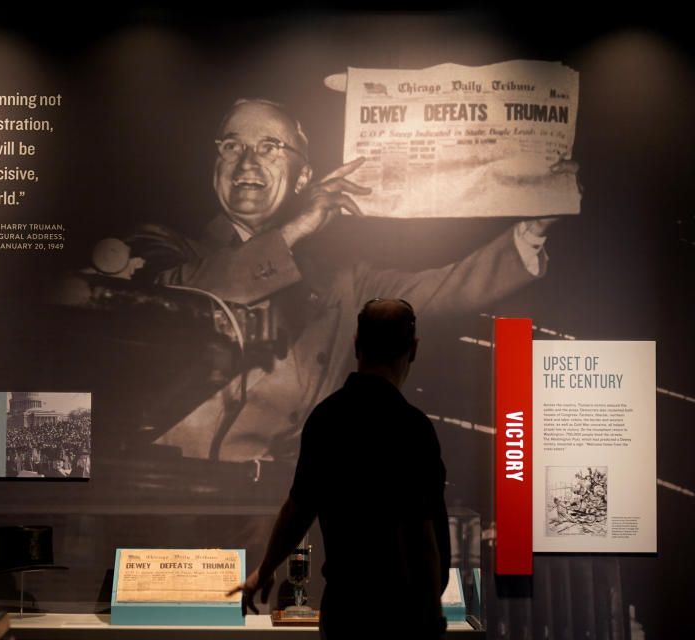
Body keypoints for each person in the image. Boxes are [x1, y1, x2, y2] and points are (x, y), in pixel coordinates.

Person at [132, 98, 558, 464]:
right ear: (216, 167)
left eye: (269, 148)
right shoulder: (163, 249)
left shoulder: (342, 280)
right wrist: (298, 227)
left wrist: (532, 229)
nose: (247, 162)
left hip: (282, 503)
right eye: (232, 146)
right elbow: (196, 299)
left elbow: (442, 289)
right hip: (177, 496)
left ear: (303, 179)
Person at [229, 299, 448, 639]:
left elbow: (298, 508)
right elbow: (418, 536)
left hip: (344, 613)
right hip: (401, 618)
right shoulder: (412, 427)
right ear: (413, 348)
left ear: (357, 343)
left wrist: (266, 567)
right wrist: (432, 620)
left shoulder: (326, 418)